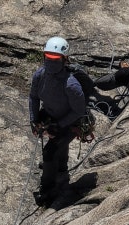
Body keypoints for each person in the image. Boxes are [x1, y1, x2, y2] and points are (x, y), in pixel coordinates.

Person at [28, 36, 87, 207]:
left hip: (70, 123)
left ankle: (47, 189)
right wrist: (34, 119)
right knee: (55, 148)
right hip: (51, 115)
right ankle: (60, 168)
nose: (51, 62)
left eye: (55, 59)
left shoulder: (71, 85)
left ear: (64, 59)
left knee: (49, 152)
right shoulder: (40, 75)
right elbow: (33, 97)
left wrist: (59, 125)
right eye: (49, 58)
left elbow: (79, 111)